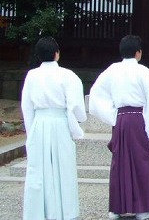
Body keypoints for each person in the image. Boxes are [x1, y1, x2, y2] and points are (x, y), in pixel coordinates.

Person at [89, 35, 149, 220]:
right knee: (142, 163)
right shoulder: (145, 73)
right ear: (138, 52)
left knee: (120, 162)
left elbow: (96, 94)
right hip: (138, 118)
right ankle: (143, 209)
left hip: (121, 118)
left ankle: (116, 209)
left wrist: (112, 116)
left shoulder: (111, 71)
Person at [21, 36, 87, 220]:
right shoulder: (68, 75)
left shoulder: (32, 76)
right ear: (57, 54)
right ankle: (65, 212)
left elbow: (26, 106)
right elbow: (75, 106)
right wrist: (78, 123)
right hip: (60, 123)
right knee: (63, 169)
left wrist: (31, 130)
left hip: (39, 123)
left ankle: (38, 213)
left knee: (39, 170)